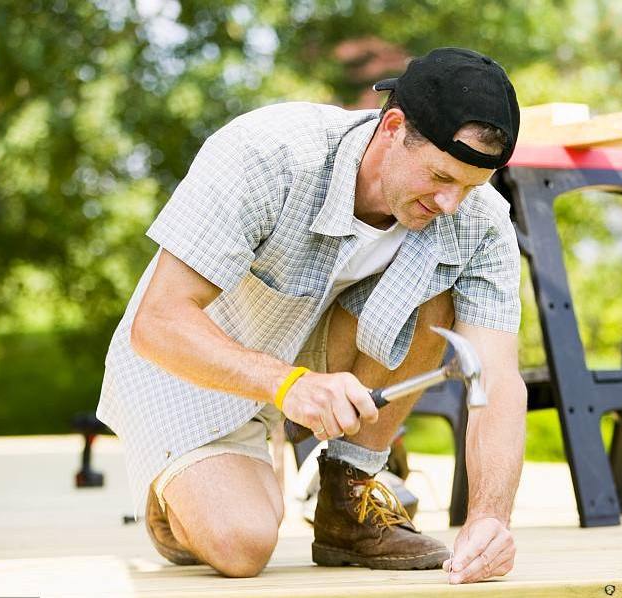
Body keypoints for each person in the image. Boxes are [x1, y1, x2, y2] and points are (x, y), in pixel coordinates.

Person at [97, 47, 527, 585]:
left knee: (436, 290)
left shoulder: (479, 221)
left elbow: (497, 379)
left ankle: (347, 496)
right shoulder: (269, 154)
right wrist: (288, 385)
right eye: (441, 176)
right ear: (393, 127)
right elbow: (158, 322)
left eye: (469, 187)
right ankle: (174, 503)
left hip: (314, 366)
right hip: (191, 366)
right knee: (242, 546)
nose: (450, 204)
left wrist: (491, 516)